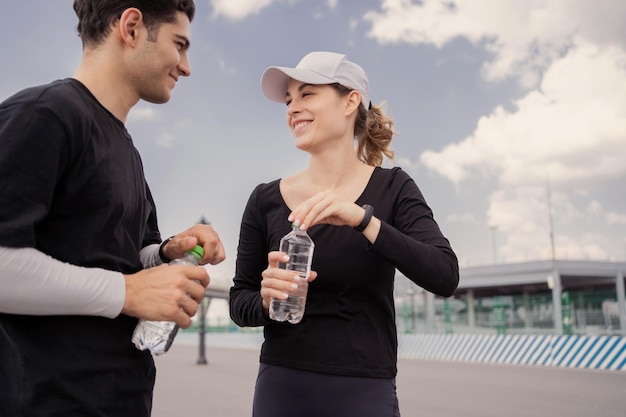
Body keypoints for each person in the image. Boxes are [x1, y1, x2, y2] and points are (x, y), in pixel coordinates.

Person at [0, 1, 226, 416]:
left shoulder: (129, 152)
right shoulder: (44, 114)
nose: (186, 66)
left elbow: (120, 258)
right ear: (132, 26)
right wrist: (128, 293)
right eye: (180, 45)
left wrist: (167, 252)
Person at [229, 51, 459, 416]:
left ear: (351, 100)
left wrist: (362, 221)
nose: (292, 109)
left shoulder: (393, 188)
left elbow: (445, 275)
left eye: (307, 94)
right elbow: (239, 301)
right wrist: (265, 300)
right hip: (282, 387)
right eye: (289, 100)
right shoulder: (265, 200)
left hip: (364, 391)